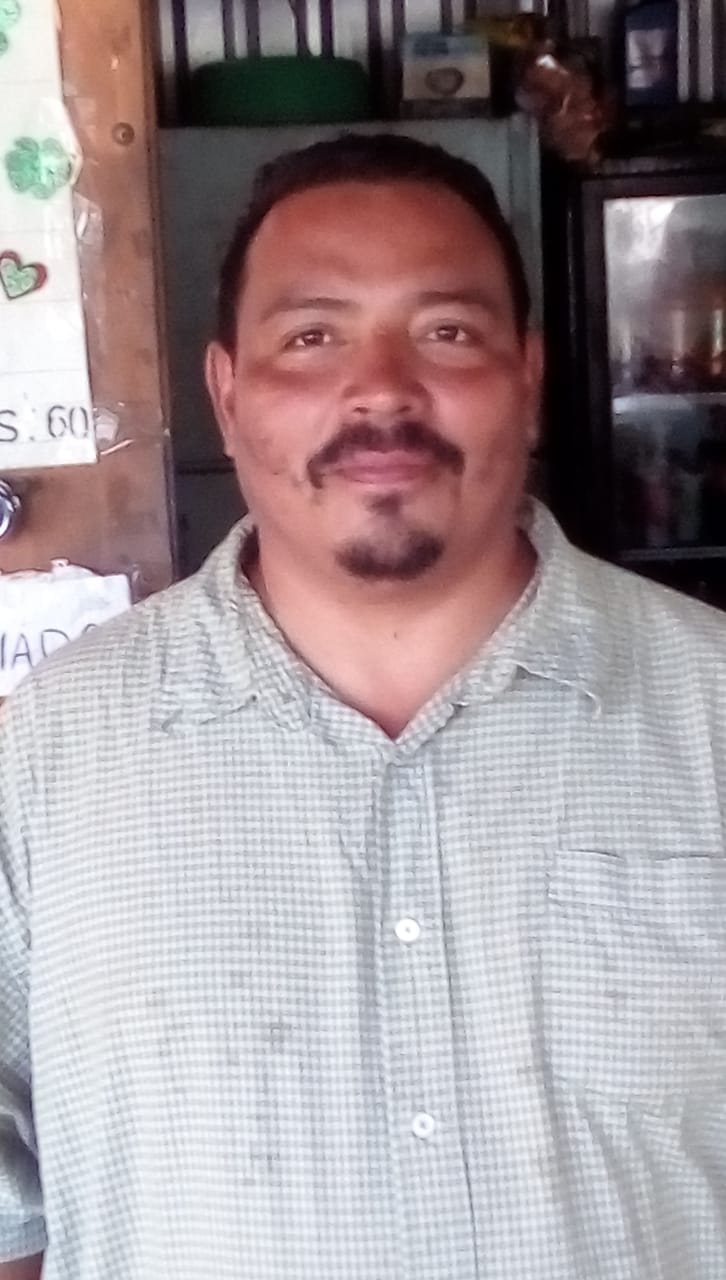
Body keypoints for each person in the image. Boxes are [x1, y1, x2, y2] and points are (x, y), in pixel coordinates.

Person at [2, 132, 726, 1280]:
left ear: (529, 376)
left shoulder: (709, 713)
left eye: (447, 332)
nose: (383, 387)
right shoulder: (47, 756)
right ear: (227, 394)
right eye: (312, 336)